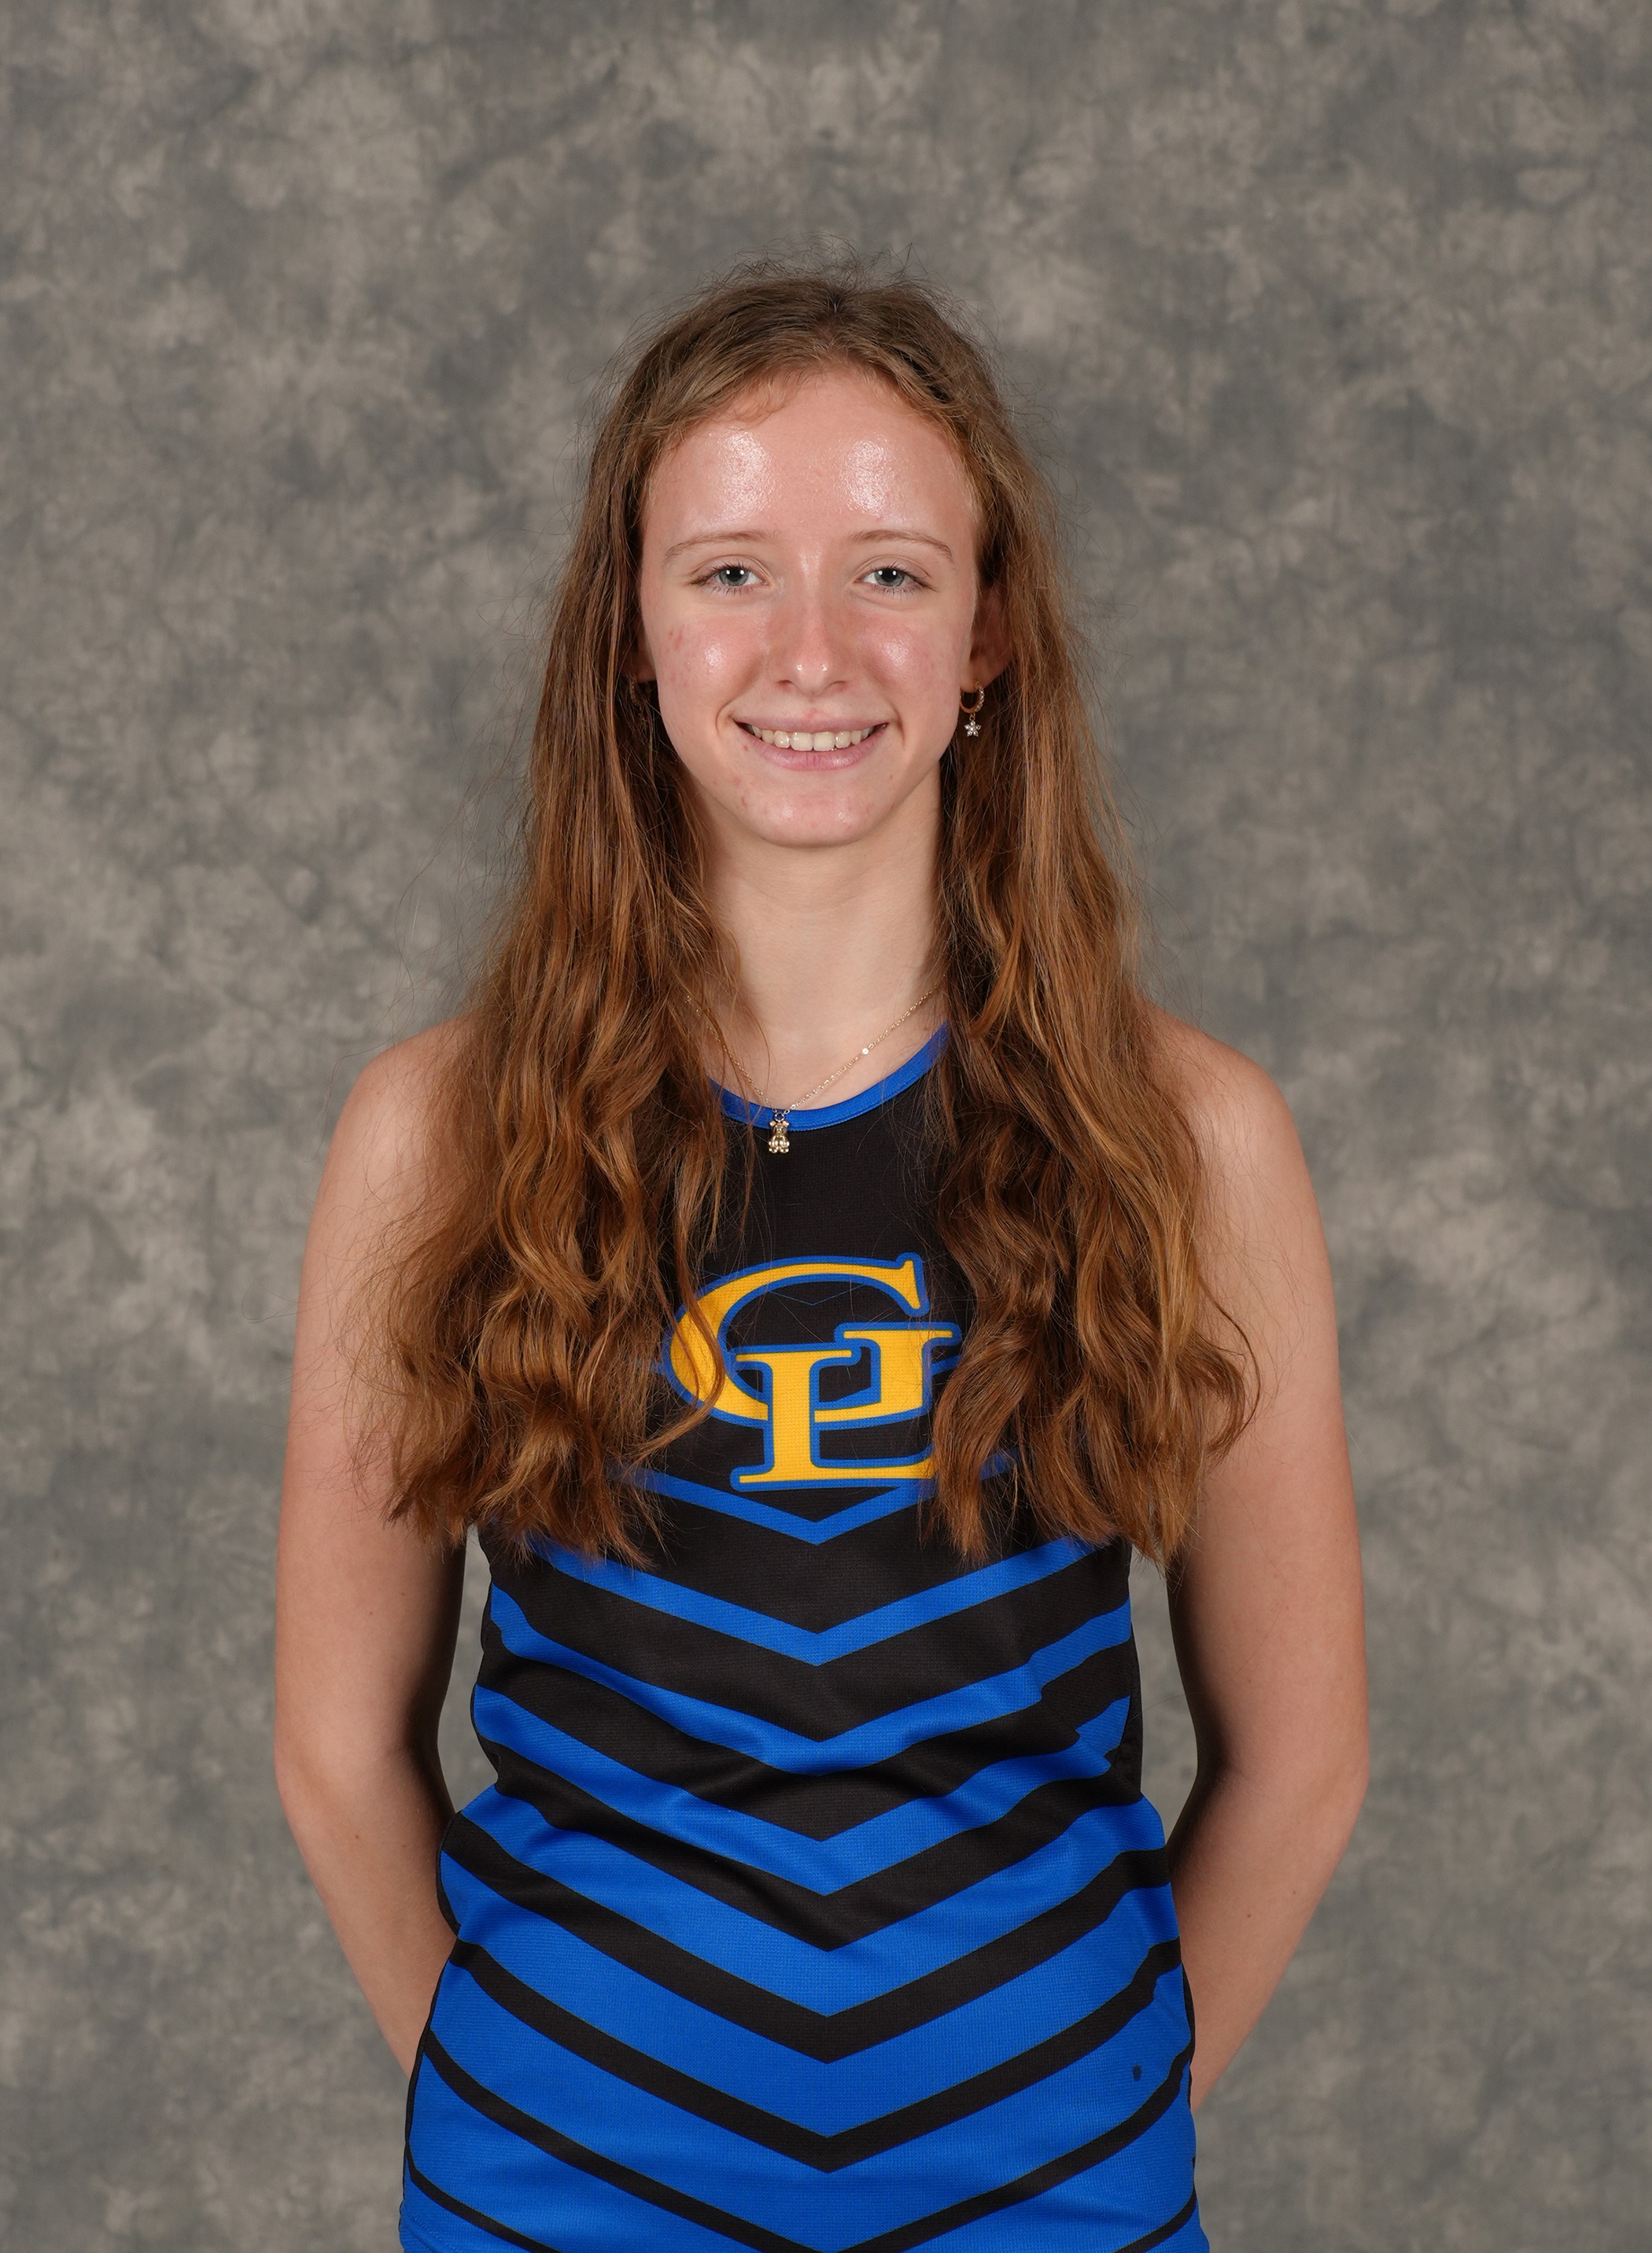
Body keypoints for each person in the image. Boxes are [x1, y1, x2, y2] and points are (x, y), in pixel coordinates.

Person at [275, 255, 1368, 2253]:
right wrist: (533, 2101)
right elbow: (339, 1750)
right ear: (630, 630)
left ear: (987, 633)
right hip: (557, 2195)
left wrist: (1081, 2112)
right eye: (728, 572)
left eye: (887, 572)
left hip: (1052, 2195)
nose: (811, 651)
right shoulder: (439, 1134)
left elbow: (1300, 1761)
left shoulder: (1189, 1138)